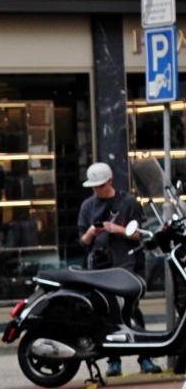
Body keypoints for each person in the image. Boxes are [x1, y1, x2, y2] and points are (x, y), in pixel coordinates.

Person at [77, 161, 158, 376]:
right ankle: (114, 361)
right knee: (107, 314)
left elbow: (141, 234)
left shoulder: (128, 202)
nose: (97, 190)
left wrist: (118, 229)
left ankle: (145, 357)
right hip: (101, 269)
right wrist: (92, 233)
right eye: (94, 187)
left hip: (126, 265)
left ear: (110, 181)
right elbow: (83, 242)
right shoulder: (88, 206)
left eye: (101, 186)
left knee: (131, 310)